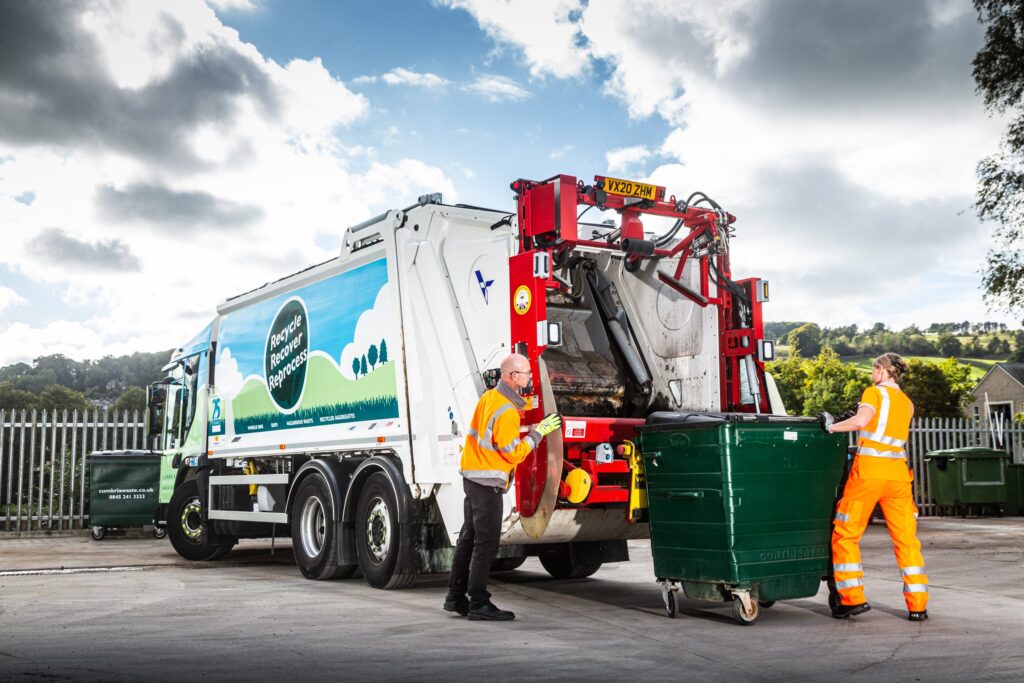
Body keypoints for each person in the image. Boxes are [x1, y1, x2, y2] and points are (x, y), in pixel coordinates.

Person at [443, 353, 562, 621]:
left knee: (468, 540)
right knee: (485, 544)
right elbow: (513, 453)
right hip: (487, 484)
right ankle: (478, 602)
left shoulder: (489, 398)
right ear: (512, 376)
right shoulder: (507, 410)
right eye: (526, 373)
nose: (530, 377)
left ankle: (455, 597)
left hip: (473, 478)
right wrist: (539, 432)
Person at [822, 352, 929, 621]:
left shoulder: (873, 393)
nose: (872, 375)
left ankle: (852, 599)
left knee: (846, 534)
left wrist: (831, 427)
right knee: (906, 540)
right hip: (898, 475)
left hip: (869, 473)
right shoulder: (907, 402)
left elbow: (861, 421)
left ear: (882, 370)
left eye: (873, 370)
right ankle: (918, 606)